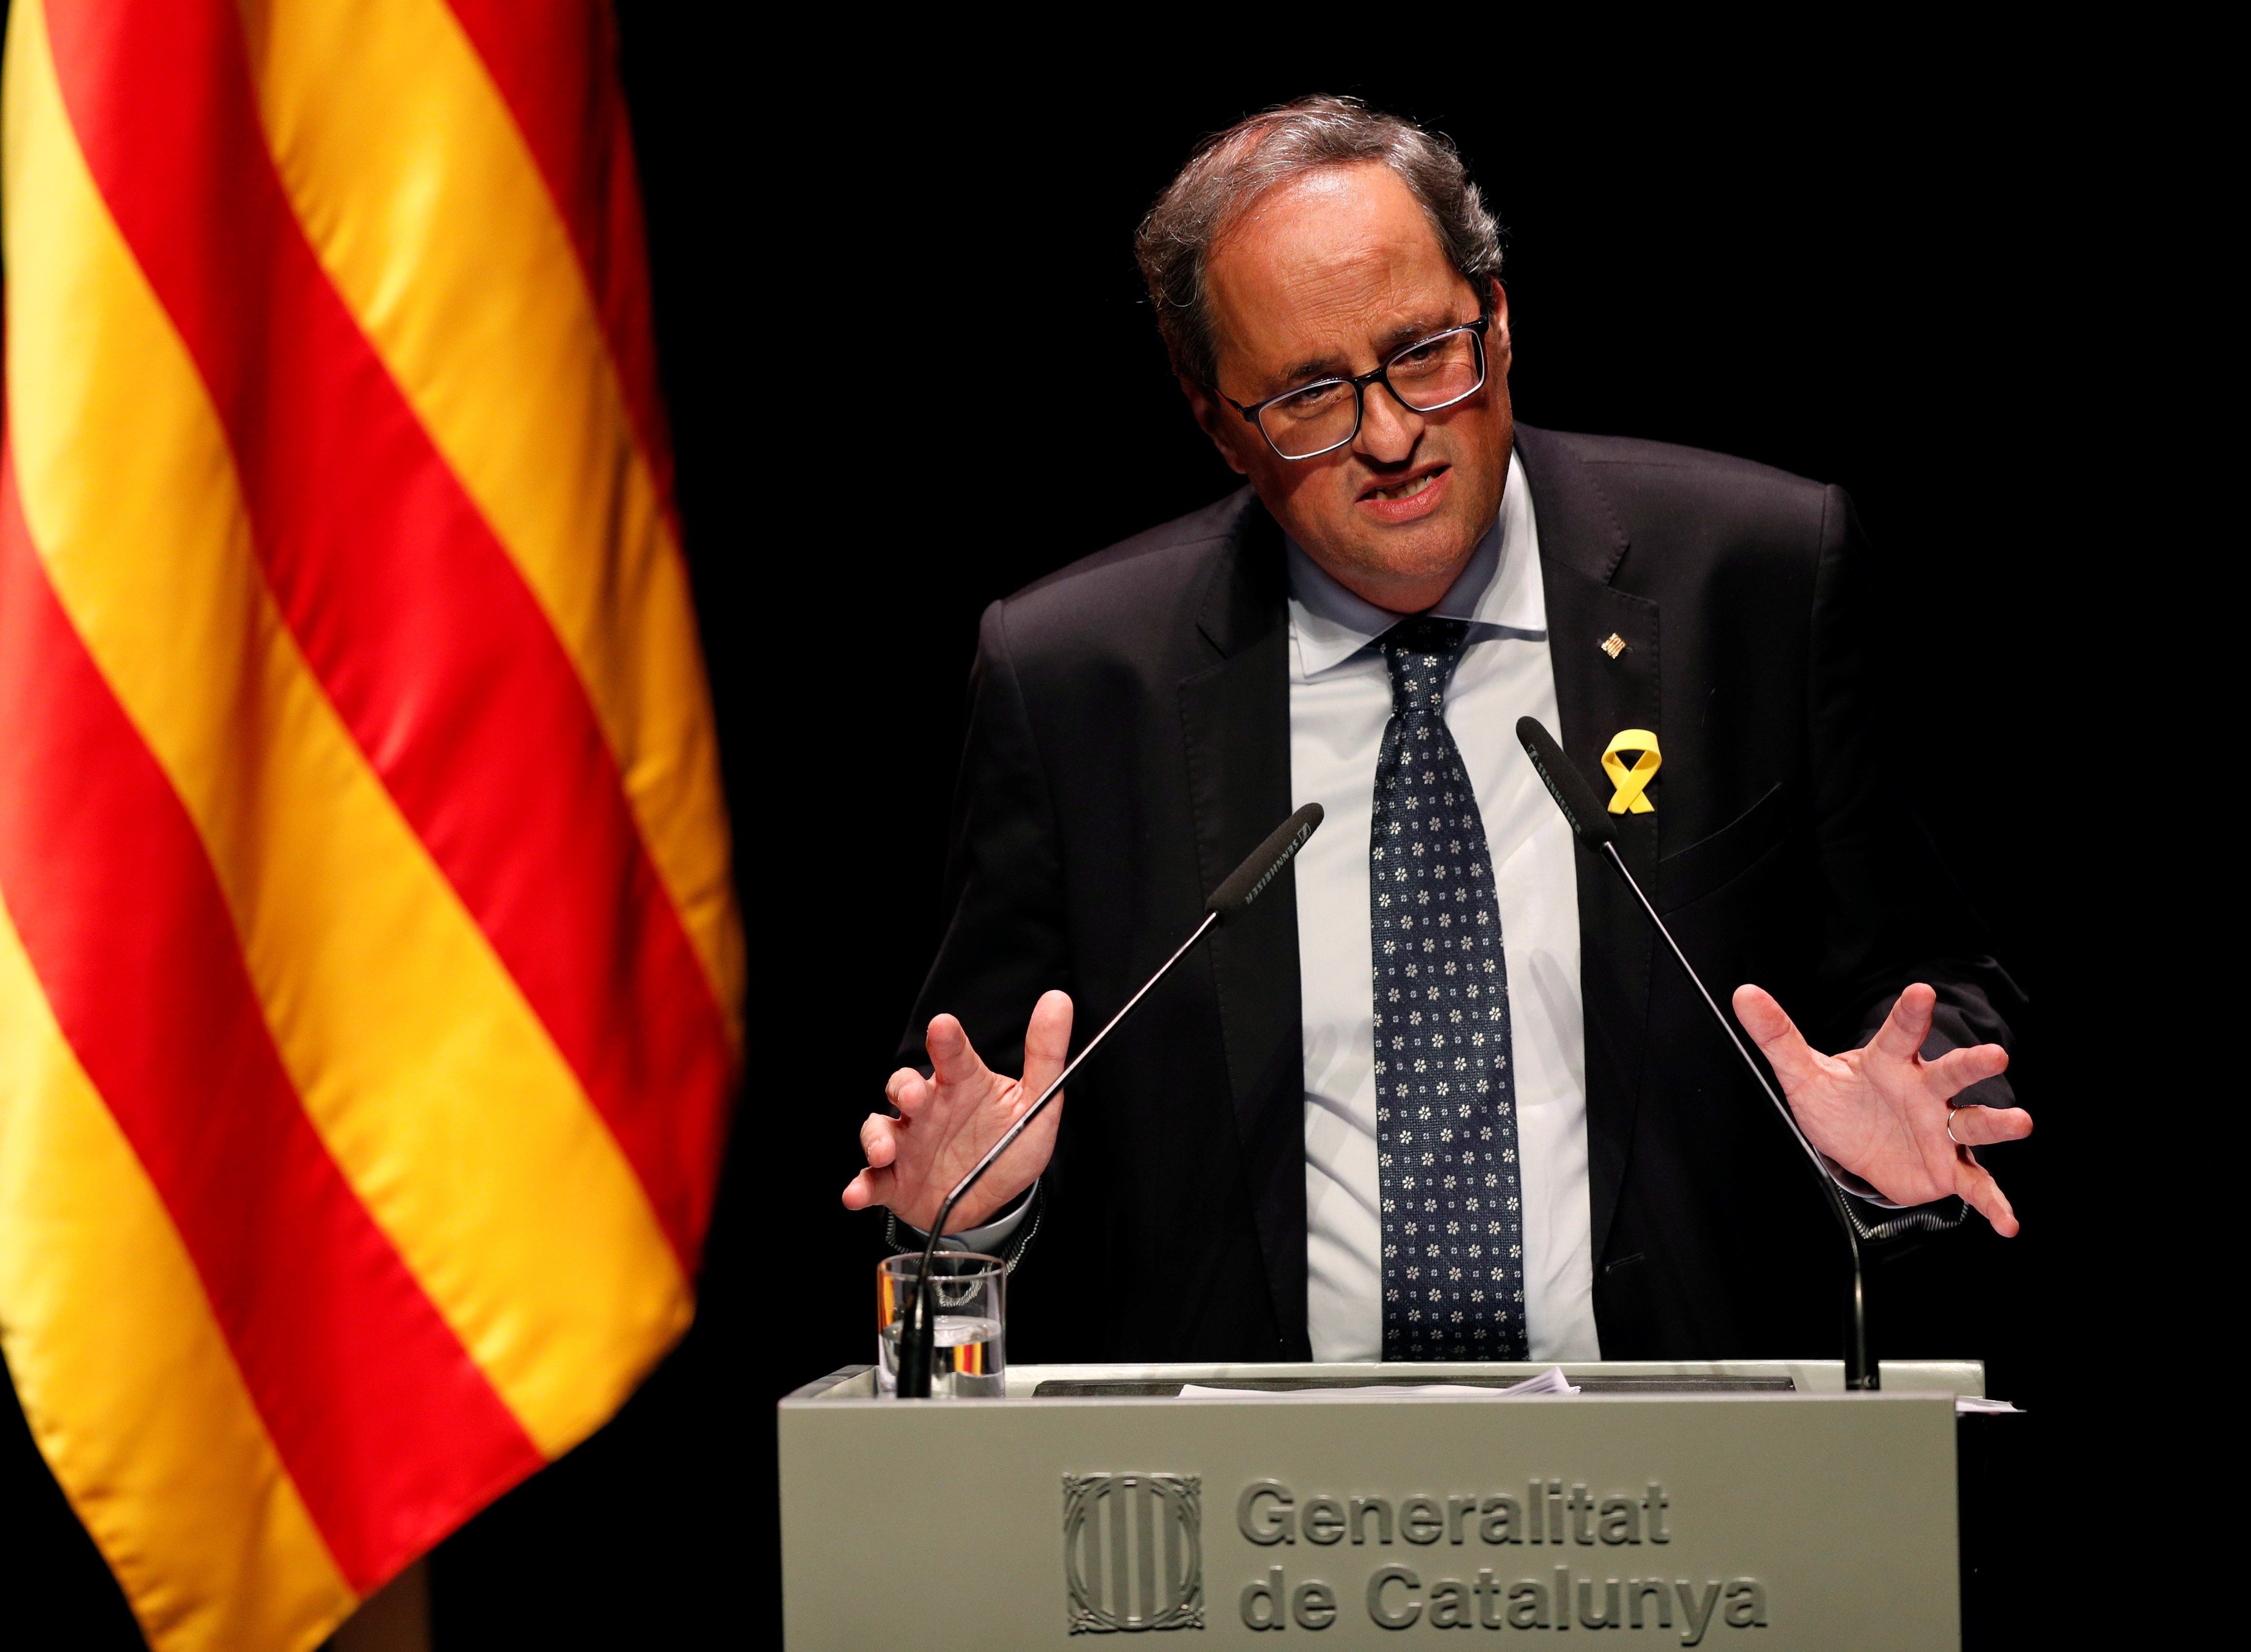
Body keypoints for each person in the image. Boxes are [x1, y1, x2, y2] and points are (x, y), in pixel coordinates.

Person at [842, 96, 2029, 1364]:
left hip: (1693, 1484)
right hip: (1258, 1518)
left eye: (1425, 354)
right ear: (1213, 419)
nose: (1395, 437)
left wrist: (1905, 1134)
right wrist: (981, 1205)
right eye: (1309, 395)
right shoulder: (1079, 678)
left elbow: (1934, 994)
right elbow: (985, 1124)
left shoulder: (1757, 579)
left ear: (1501, 319)